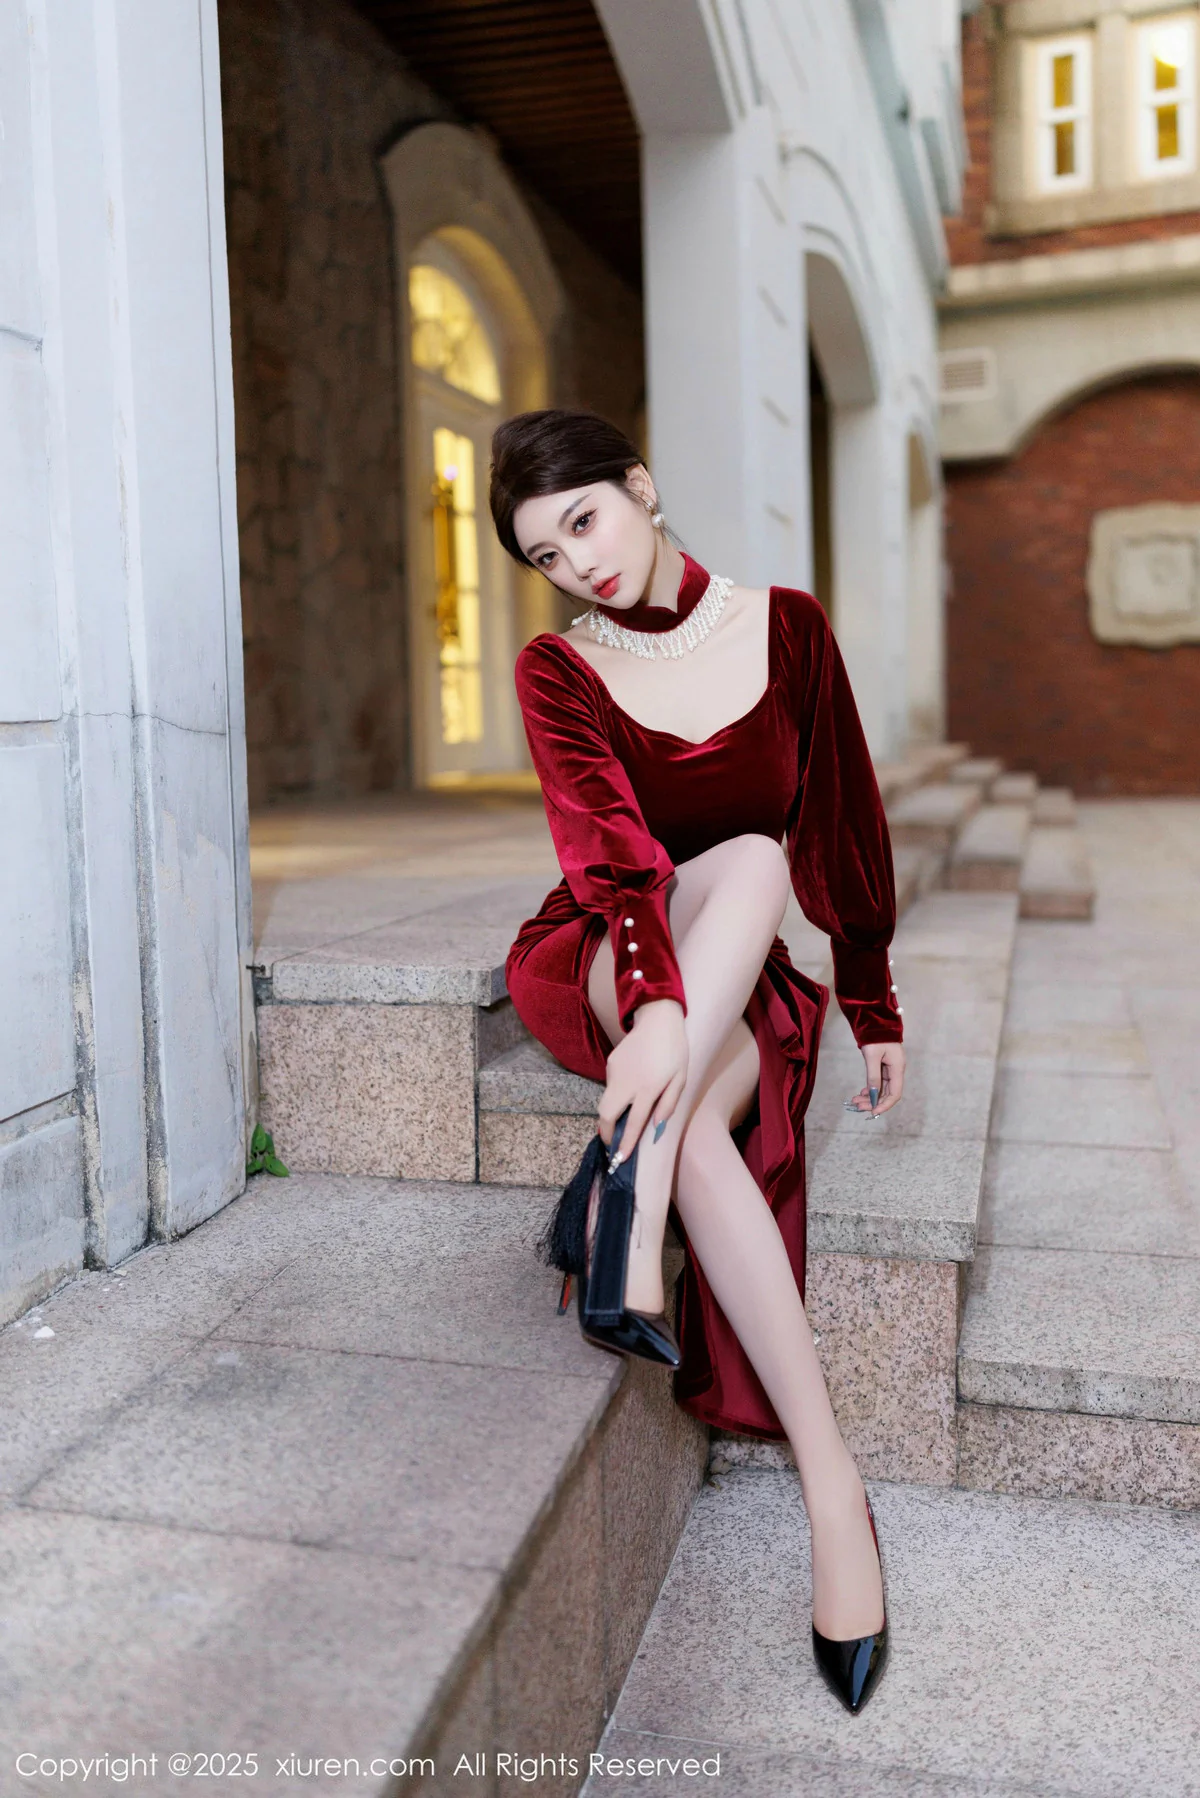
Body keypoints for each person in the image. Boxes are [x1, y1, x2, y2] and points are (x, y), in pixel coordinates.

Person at [489, 407, 905, 1714]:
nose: (579, 562)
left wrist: (870, 994)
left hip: (733, 977)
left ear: (641, 486)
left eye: (585, 521)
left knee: (763, 860)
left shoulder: (786, 629)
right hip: (612, 947)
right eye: (548, 553)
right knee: (732, 878)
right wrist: (657, 1005)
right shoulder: (561, 667)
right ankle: (834, 1491)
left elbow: (841, 818)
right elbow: (606, 850)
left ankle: (640, 1168)